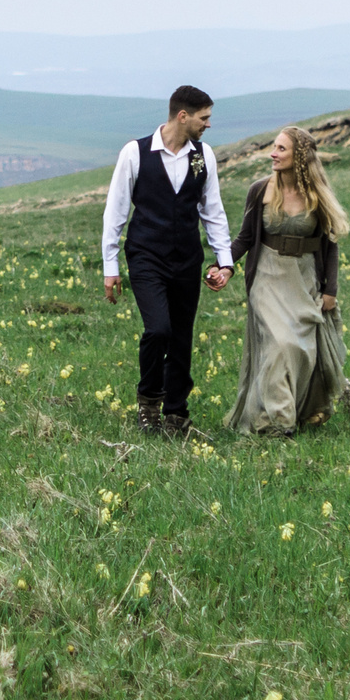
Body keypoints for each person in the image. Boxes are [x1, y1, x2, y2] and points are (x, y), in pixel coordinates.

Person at [99, 85, 233, 437]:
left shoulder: (203, 155)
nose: (208, 125)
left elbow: (213, 211)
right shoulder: (135, 152)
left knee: (182, 337)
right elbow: (115, 211)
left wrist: (225, 261)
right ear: (182, 116)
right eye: (204, 118)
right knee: (158, 329)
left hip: (187, 259)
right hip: (146, 256)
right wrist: (111, 266)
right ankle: (148, 403)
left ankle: (176, 413)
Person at [223, 124, 350, 435]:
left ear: (300, 157)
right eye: (274, 147)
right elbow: (244, 238)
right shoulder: (260, 190)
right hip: (267, 276)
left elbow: (330, 245)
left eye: (281, 149)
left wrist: (330, 290)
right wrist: (224, 265)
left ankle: (300, 409)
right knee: (279, 345)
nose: (273, 154)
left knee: (301, 350)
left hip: (303, 278)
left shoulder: (317, 194)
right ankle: (276, 422)